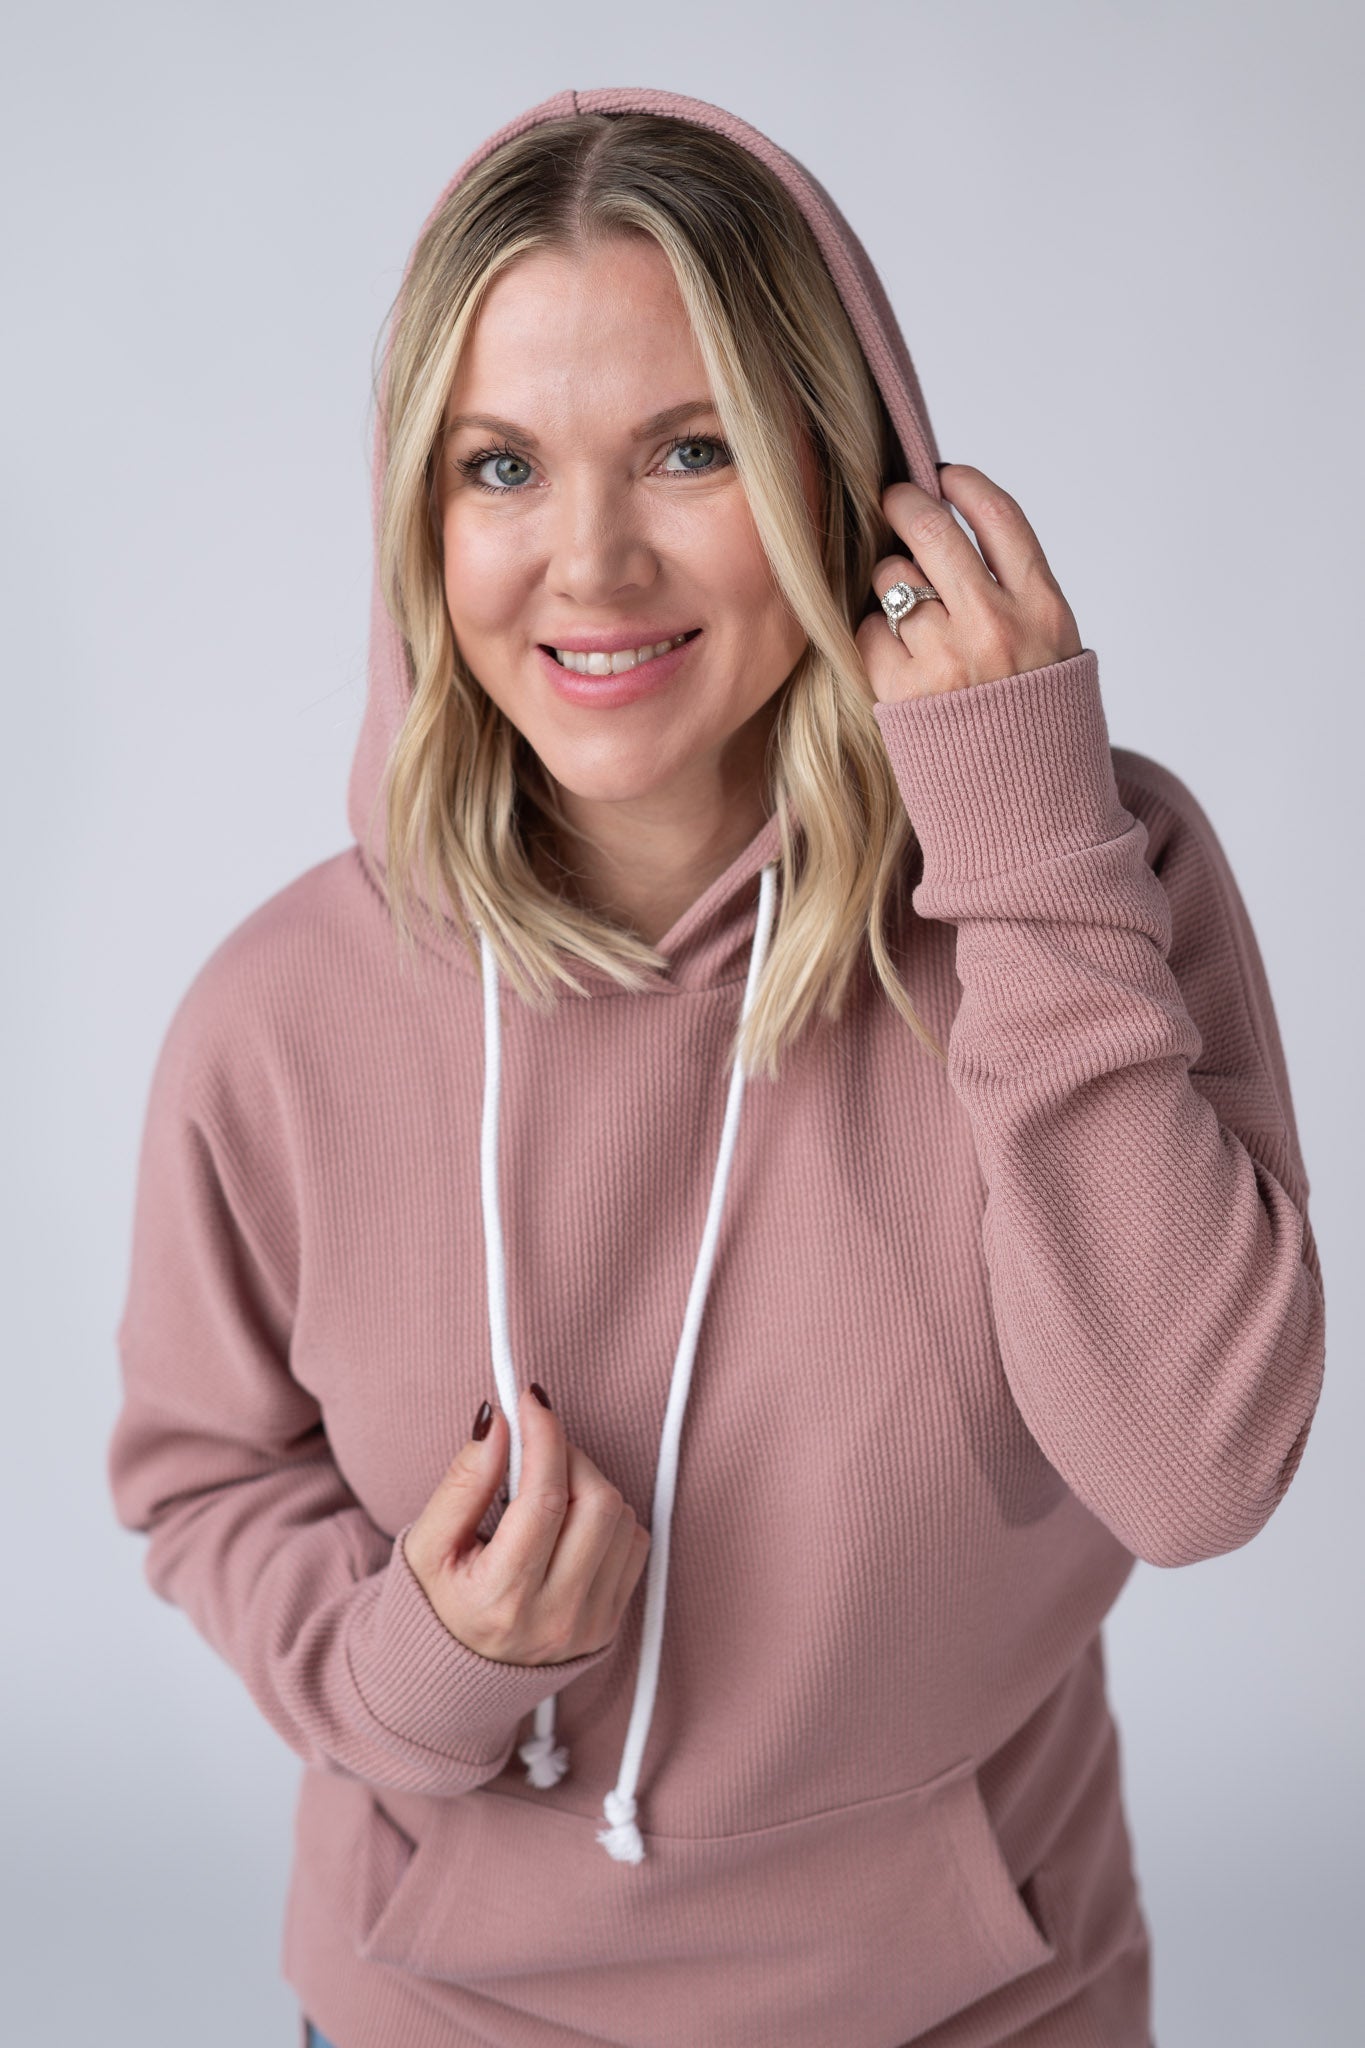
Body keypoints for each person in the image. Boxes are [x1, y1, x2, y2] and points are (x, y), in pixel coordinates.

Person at [107, 85, 1325, 2048]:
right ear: (418, 518)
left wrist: (1020, 833)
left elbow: (1194, 1470)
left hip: (978, 2002)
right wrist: (425, 1661)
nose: (587, 564)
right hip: (440, 2008)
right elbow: (206, 1478)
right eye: (500, 465)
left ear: (844, 483)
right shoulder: (280, 1014)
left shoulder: (1081, 879)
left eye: (691, 449)